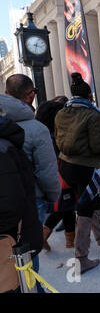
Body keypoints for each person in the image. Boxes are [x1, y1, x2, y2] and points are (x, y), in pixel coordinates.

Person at [1, 74, 61, 292]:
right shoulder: (36, 129)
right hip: (28, 201)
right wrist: (53, 197)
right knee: (26, 258)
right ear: (31, 95)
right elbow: (47, 171)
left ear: (6, 94)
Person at [55, 72, 100, 274]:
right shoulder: (92, 114)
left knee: (92, 203)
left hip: (66, 165)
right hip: (87, 167)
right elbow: (99, 145)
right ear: (89, 96)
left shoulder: (61, 112)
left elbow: (58, 140)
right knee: (84, 208)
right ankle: (81, 257)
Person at [0, 108, 43, 293]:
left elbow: (9, 206)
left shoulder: (3, 150)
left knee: (24, 283)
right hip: (18, 237)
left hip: (12, 243)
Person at [36, 96, 77, 251]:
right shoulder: (52, 136)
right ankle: (46, 234)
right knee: (64, 205)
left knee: (66, 206)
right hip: (61, 174)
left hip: (53, 175)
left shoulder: (42, 133)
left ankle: (70, 239)